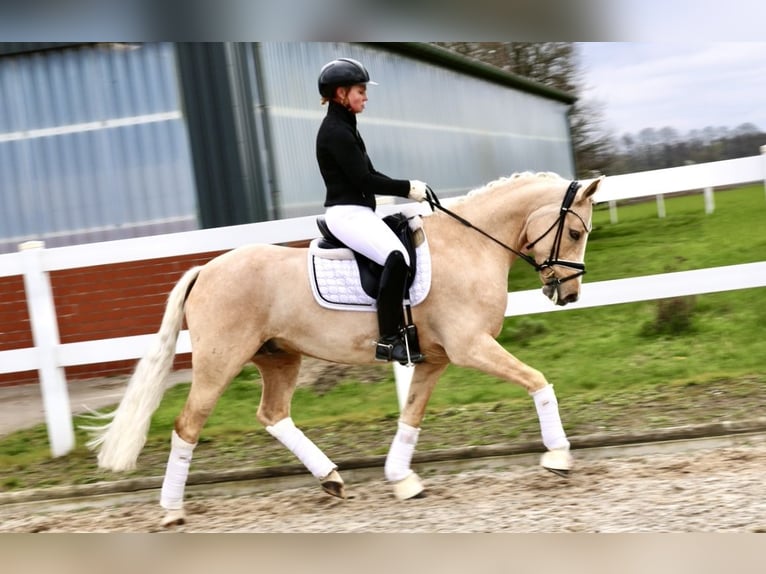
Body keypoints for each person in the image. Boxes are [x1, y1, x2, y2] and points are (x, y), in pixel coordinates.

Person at [315, 57, 427, 365]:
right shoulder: (335, 131)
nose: (365, 96)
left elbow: (370, 171)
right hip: (347, 214)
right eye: (360, 91)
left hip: (359, 212)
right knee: (396, 257)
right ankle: (389, 339)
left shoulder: (346, 126)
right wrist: (407, 188)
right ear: (341, 94)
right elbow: (364, 180)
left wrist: (407, 187)